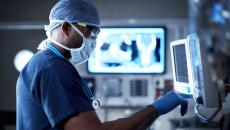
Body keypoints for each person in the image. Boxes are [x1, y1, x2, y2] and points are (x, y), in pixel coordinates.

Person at [16, 0, 188, 130]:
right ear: (67, 28)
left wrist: (156, 109)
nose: (94, 40)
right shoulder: (54, 69)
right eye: (90, 31)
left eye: (97, 33)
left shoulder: (43, 62)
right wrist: (157, 108)